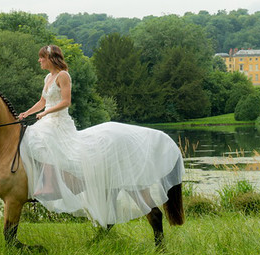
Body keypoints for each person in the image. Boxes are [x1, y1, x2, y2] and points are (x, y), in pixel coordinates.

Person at [17, 45, 183, 227]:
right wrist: (27, 112)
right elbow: (43, 101)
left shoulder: (63, 75)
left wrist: (47, 113)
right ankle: (46, 180)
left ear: (51, 58)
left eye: (42, 57)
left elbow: (66, 101)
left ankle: (52, 183)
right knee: (31, 138)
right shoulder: (48, 77)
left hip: (58, 121)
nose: (39, 60)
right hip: (48, 118)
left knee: (43, 141)